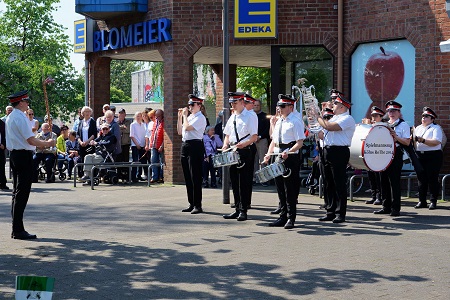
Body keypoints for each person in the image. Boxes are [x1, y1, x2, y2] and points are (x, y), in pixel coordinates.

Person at [6, 90, 56, 239]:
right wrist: (48, 143)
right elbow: (31, 140)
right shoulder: (20, 117)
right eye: (26, 101)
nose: (28, 103)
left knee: (17, 192)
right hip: (22, 155)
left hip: (16, 154)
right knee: (22, 192)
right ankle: (18, 229)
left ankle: (17, 228)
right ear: (21, 102)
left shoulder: (12, 116)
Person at [263, 94, 305, 229]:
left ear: (290, 107)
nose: (279, 109)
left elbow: (299, 142)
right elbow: (274, 141)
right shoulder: (279, 121)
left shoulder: (295, 121)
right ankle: (282, 216)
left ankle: (291, 218)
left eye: (282, 106)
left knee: (290, 189)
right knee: (280, 187)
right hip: (278, 154)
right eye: (278, 106)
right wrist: (268, 154)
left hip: (289, 156)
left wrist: (289, 152)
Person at [315, 91, 355, 223]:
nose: (333, 104)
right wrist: (314, 123)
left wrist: (317, 117)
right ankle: (330, 211)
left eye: (335, 103)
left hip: (339, 151)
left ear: (342, 106)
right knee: (328, 183)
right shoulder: (334, 117)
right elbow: (322, 134)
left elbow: (330, 127)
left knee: (339, 183)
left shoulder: (347, 118)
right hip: (327, 150)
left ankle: (340, 213)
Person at [222, 92, 258, 221]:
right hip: (233, 150)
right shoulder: (233, 117)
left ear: (242, 102)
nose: (232, 105)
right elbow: (227, 134)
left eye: (235, 103)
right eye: (231, 103)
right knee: (234, 181)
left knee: (244, 181)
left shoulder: (250, 116)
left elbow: (254, 136)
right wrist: (225, 145)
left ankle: (243, 210)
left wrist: (244, 144)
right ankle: (237, 208)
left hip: (245, 150)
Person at [374, 101, 410, 217]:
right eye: (389, 111)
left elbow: (407, 142)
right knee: (383, 180)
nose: (392, 113)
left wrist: (396, 137)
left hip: (396, 154)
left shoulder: (403, 125)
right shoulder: (384, 124)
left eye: (394, 111)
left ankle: (395, 208)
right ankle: (386, 206)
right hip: (384, 154)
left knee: (394, 182)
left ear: (399, 113)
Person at [177, 94, 207, 214]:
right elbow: (180, 131)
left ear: (199, 105)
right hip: (185, 145)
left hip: (195, 145)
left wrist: (184, 116)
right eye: (189, 105)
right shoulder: (189, 117)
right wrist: (180, 117)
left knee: (195, 176)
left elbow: (188, 128)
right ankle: (191, 203)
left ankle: (198, 205)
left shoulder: (200, 118)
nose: (189, 107)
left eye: (192, 105)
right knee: (187, 176)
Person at [413, 107, 443, 210]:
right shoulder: (418, 128)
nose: (424, 118)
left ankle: (433, 201)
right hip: (420, 155)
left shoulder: (436, 128)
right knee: (421, 179)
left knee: (432, 178)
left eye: (426, 116)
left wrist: (423, 140)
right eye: (423, 116)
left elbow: (436, 142)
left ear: (432, 119)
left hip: (433, 156)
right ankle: (422, 201)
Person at [362, 106, 385, 205]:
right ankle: (373, 195)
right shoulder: (371, 126)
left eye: (376, 116)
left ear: (381, 117)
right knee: (371, 176)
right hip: (370, 154)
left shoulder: (383, 126)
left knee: (378, 177)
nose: (373, 118)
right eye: (372, 116)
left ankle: (379, 197)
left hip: (379, 155)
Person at [253, 99, 270, 186]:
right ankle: (255, 178)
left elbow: (267, 129)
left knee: (263, 159)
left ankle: (264, 179)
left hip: (262, 140)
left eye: (257, 105)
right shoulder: (250, 116)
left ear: (260, 106)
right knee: (254, 160)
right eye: (254, 105)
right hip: (252, 140)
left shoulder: (264, 116)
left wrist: (260, 136)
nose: (256, 107)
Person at [77, 106, 97, 177]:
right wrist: (81, 142)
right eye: (86, 111)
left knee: (89, 159)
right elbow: (78, 134)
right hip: (82, 145)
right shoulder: (81, 122)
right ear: (83, 113)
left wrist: (88, 141)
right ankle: (84, 176)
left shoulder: (92, 122)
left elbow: (94, 134)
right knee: (82, 160)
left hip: (90, 145)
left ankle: (91, 176)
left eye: (89, 111)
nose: (87, 113)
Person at [130, 112, 146, 182]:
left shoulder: (143, 125)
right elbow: (132, 136)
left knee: (141, 161)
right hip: (135, 145)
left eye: (140, 116)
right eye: (137, 116)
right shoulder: (133, 125)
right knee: (135, 161)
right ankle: (133, 177)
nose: (138, 117)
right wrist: (137, 144)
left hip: (142, 145)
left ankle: (139, 175)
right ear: (135, 117)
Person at [149, 109, 164, 183]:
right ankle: (154, 177)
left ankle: (161, 177)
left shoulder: (164, 122)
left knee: (162, 162)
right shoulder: (155, 122)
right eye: (156, 116)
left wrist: (162, 145)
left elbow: (166, 136)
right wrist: (150, 144)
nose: (157, 117)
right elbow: (153, 134)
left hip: (160, 145)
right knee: (153, 161)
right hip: (154, 145)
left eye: (159, 116)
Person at [0, 118, 9, 190]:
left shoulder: (2, 123)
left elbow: (6, 135)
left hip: (0, 148)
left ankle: (2, 183)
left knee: (1, 165)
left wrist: (4, 144)